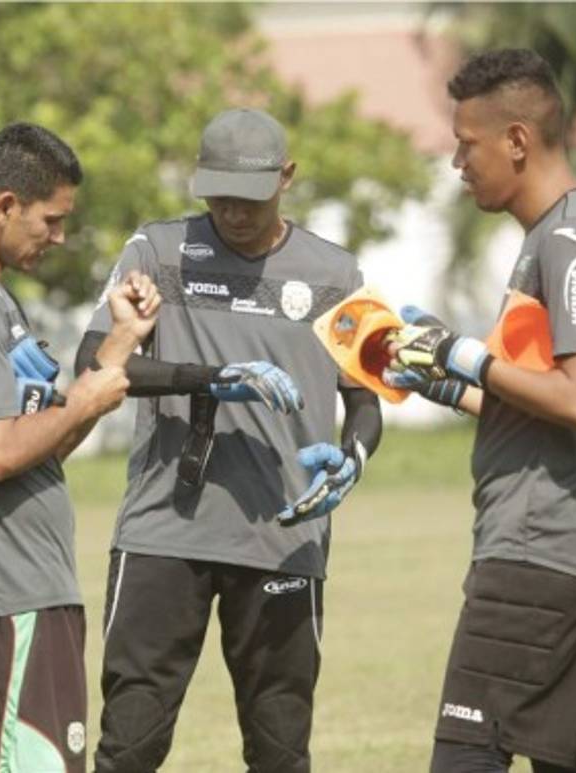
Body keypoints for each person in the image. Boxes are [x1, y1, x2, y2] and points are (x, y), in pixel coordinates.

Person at [76, 108, 384, 773]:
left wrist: (353, 457)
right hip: (162, 534)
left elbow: (367, 398)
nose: (232, 211)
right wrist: (210, 379)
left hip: (284, 537)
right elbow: (93, 363)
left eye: (248, 196)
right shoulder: (156, 252)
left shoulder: (336, 272)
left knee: (279, 752)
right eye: (216, 193)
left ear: (287, 178)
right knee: (128, 748)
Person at [383, 49, 576, 773]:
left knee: (465, 757)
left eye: (467, 144)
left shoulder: (572, 241)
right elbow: (549, 405)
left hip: (535, 557)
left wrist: (468, 354)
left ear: (518, 141)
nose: (458, 162)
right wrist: (453, 380)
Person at [0, 122, 161, 772]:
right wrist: (84, 400)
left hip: (36, 592)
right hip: (6, 597)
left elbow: (34, 442)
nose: (60, 236)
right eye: (51, 220)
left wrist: (119, 345)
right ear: (6, 206)